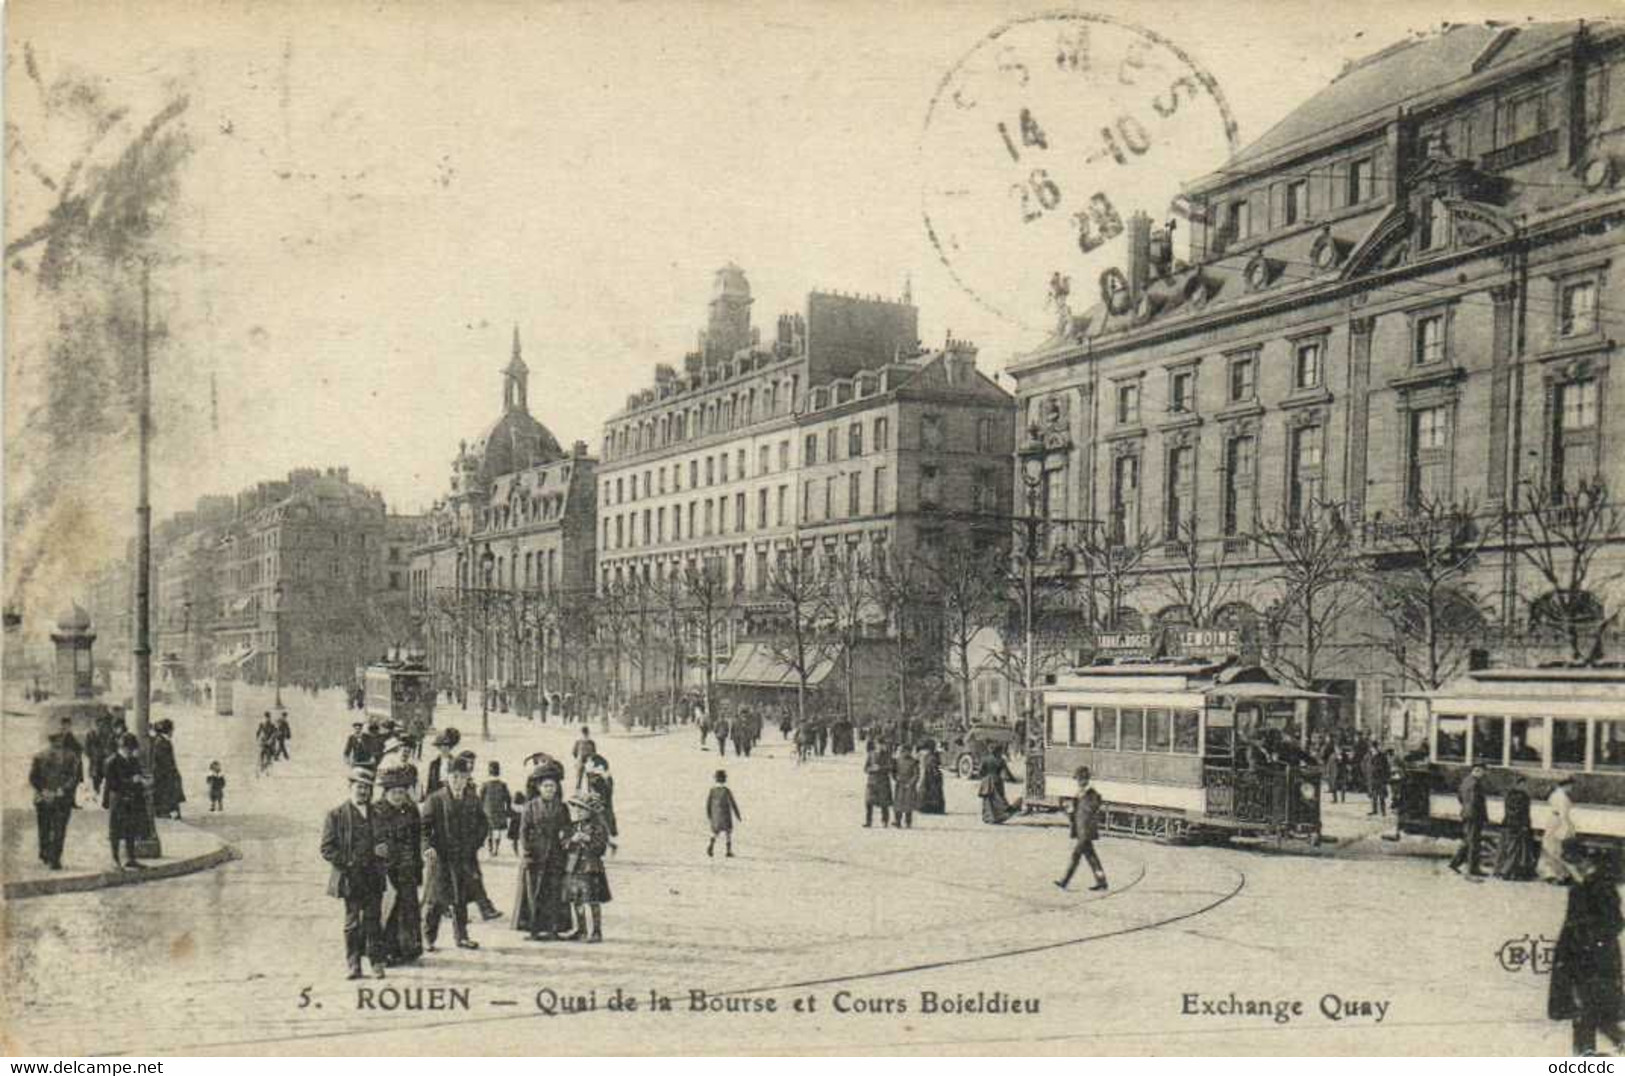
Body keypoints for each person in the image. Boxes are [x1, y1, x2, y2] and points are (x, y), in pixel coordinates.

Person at [1549, 841, 1625, 1055]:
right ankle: (1587, 1051)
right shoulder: (1584, 884)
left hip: (1590, 955)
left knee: (1587, 1004)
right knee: (1590, 1005)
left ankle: (1586, 1053)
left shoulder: (1595, 885)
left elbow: (1615, 921)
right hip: (1584, 953)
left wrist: (1593, 942)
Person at [320, 767, 389, 980]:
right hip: (351, 877)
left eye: (367, 788)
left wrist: (384, 850)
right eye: (359, 787)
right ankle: (353, 965)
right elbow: (327, 848)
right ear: (350, 787)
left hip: (373, 876)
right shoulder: (336, 815)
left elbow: (389, 841)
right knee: (352, 923)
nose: (363, 792)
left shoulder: (378, 813)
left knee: (373, 920)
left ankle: (377, 963)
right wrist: (348, 861)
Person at [420, 756, 488, 951]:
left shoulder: (472, 799)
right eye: (454, 776)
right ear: (447, 777)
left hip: (464, 858)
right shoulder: (436, 799)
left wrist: (474, 844)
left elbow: (483, 824)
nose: (458, 781)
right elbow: (424, 827)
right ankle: (428, 937)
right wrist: (428, 847)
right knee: (436, 899)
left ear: (467, 778)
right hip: (441, 857)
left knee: (461, 898)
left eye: (462, 777)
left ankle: (462, 937)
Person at [513, 759, 571, 941]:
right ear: (539, 788)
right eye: (546, 786)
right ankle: (534, 930)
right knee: (534, 893)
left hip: (555, 855)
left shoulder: (562, 807)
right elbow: (523, 831)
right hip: (535, 856)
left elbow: (568, 828)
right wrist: (528, 851)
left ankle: (554, 929)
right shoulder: (530, 807)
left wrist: (566, 839)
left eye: (552, 786)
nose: (549, 789)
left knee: (554, 893)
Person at [374, 765, 424, 967]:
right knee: (389, 911)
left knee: (408, 909)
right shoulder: (376, 811)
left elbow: (416, 838)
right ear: (386, 792)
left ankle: (408, 948)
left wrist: (418, 867)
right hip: (385, 870)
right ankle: (386, 952)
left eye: (402, 792)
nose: (398, 796)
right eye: (394, 792)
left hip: (408, 868)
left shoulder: (411, 810)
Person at [562, 792, 612, 942]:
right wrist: (572, 840)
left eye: (582, 809)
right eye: (577, 809)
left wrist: (588, 839)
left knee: (593, 899)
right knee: (576, 899)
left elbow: (601, 848)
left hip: (591, 867)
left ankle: (597, 931)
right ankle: (581, 929)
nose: (578, 812)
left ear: (590, 811)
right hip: (574, 866)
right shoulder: (572, 826)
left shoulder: (598, 827)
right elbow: (563, 844)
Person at [29, 732, 78, 870]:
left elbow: (33, 778)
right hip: (59, 797)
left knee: (47, 827)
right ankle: (52, 857)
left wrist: (43, 790)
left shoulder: (39, 755)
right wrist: (61, 790)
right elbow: (73, 778)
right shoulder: (70, 756)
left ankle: (48, 855)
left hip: (45, 797)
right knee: (58, 828)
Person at [1055, 767, 1109, 891]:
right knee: (1092, 858)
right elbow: (1075, 813)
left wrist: (1076, 806)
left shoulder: (1092, 794)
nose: (1078, 782)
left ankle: (1064, 881)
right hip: (1081, 831)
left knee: (1075, 856)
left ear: (1086, 779)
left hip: (1086, 832)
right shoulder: (1081, 794)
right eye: (1078, 780)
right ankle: (1102, 881)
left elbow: (1091, 810)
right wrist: (1068, 810)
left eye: (1080, 779)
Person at [102, 733, 150, 870]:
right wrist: (131, 781)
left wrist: (142, 781)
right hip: (117, 800)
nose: (130, 752)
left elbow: (138, 774)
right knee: (115, 829)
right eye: (128, 749)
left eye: (131, 749)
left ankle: (130, 858)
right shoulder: (111, 761)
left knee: (131, 828)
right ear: (122, 747)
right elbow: (112, 784)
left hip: (132, 799)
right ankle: (115, 859)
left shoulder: (133, 761)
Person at [1495, 774, 1538, 881]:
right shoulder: (1521, 797)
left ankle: (1501, 871)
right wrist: (1524, 825)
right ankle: (1506, 872)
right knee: (1515, 850)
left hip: (1508, 824)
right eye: (1523, 784)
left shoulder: (1509, 795)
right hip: (1516, 826)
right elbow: (1520, 813)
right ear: (1518, 784)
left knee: (1505, 849)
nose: (1525, 786)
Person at [1449, 762, 1488, 878]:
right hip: (1474, 816)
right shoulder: (1475, 783)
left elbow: (1460, 797)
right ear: (1477, 770)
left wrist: (1465, 809)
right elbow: (1475, 802)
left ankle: (1454, 864)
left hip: (1467, 815)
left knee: (1468, 841)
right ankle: (1472, 870)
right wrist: (1478, 814)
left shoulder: (1466, 781)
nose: (1483, 774)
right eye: (1482, 771)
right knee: (1473, 843)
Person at [1541, 776, 1581, 883]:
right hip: (1558, 822)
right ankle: (1558, 875)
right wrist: (1567, 827)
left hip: (1552, 820)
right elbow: (1563, 814)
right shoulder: (1562, 797)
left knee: (1550, 847)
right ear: (1566, 785)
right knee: (1556, 849)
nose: (1572, 788)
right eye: (1571, 786)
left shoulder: (1555, 794)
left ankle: (1551, 873)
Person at [149, 719, 185, 820]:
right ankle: (165, 812)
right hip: (164, 773)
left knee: (167, 793)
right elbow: (165, 760)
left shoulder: (160, 740)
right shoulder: (162, 742)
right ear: (168, 731)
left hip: (163, 773)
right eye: (172, 730)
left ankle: (168, 811)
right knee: (167, 793)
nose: (172, 732)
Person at [978, 745, 1019, 824]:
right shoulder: (1001, 760)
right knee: (999, 800)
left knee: (988, 801)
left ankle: (988, 818)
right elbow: (1007, 772)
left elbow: (980, 772)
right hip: (997, 781)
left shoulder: (985, 759)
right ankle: (999, 816)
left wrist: (985, 776)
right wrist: (1013, 780)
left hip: (986, 781)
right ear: (998, 751)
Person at [584, 755, 618, 852]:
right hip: (601, 806)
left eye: (589, 762)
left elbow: (601, 795)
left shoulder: (598, 779)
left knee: (600, 826)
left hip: (599, 807)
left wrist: (594, 802)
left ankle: (608, 844)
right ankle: (608, 843)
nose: (586, 764)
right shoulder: (598, 776)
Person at [706, 769, 741, 857]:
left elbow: (708, 803)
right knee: (728, 832)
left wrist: (709, 815)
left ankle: (711, 845)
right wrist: (737, 814)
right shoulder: (726, 790)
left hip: (716, 815)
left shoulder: (712, 790)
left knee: (715, 832)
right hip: (725, 814)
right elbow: (733, 803)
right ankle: (728, 851)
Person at [479, 761, 511, 858]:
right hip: (499, 810)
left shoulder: (485, 785)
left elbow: (480, 798)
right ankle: (496, 849)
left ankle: (490, 849)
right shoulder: (502, 785)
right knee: (497, 831)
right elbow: (508, 798)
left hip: (487, 811)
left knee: (489, 831)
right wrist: (508, 809)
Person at [863, 742, 894, 828]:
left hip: (883, 782)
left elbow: (891, 767)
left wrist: (881, 768)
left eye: (882, 745)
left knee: (884, 803)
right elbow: (865, 768)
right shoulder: (871, 754)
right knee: (868, 802)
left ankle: (885, 821)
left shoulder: (887, 755)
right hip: (872, 781)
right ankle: (868, 821)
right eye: (879, 744)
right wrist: (871, 769)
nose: (880, 747)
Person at [423, 728, 460, 798]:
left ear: (450, 747)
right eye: (442, 746)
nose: (445, 748)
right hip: (437, 791)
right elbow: (430, 784)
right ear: (439, 747)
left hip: (451, 792)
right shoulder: (434, 764)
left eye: (447, 746)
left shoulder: (456, 762)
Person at [892, 744, 919, 829]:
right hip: (899, 783)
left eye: (904, 751)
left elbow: (916, 774)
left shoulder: (913, 762)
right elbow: (893, 772)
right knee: (898, 804)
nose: (902, 753)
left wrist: (911, 783)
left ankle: (908, 822)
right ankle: (897, 821)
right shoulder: (897, 761)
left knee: (908, 804)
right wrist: (895, 778)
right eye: (901, 751)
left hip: (909, 784)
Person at [917, 741, 946, 815]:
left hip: (928, 775)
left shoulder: (925, 755)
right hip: (931, 775)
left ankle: (927, 807)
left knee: (928, 791)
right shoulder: (930, 755)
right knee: (933, 791)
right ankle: (932, 807)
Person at [1364, 746, 1390, 817]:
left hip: (1380, 779)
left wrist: (1386, 778)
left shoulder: (1382, 757)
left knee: (1382, 797)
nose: (1372, 751)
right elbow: (1366, 766)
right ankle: (1374, 810)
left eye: (1373, 750)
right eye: (1371, 750)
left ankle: (1383, 811)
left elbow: (1386, 768)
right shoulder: (1370, 757)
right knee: (1374, 796)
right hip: (1373, 779)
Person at [571, 726, 597, 791]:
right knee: (579, 777)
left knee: (589, 777)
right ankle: (578, 791)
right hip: (581, 761)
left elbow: (594, 752)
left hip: (588, 761)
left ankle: (589, 791)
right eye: (584, 734)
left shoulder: (591, 742)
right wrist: (578, 758)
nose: (585, 736)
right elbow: (574, 752)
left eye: (586, 734)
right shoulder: (579, 742)